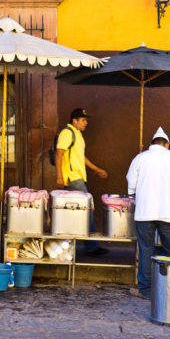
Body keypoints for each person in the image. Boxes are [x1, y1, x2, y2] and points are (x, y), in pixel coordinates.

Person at [126, 127, 170, 299]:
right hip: (167, 213)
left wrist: (135, 190)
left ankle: (145, 289)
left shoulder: (140, 158)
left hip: (144, 213)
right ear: (167, 144)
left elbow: (131, 184)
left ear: (152, 143)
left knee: (146, 250)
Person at [55, 108, 108, 255]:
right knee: (86, 209)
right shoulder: (67, 133)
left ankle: (65, 243)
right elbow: (59, 153)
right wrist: (59, 176)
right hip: (72, 177)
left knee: (67, 211)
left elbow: (81, 157)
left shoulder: (77, 134)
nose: (86, 122)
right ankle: (91, 246)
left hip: (76, 177)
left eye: (86, 120)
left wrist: (96, 169)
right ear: (75, 121)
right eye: (83, 120)